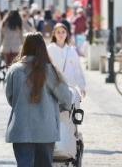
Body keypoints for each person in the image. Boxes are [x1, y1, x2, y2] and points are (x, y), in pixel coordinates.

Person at [5, 32, 73, 166]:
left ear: (24, 47)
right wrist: (58, 108)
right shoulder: (49, 70)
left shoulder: (14, 70)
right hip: (45, 129)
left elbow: (10, 98)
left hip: (21, 129)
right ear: (43, 48)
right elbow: (66, 98)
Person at [46, 23, 86, 97]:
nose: (61, 34)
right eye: (58, 32)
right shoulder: (49, 49)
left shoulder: (71, 50)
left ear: (67, 34)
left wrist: (82, 86)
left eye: (63, 32)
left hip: (69, 88)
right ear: (54, 34)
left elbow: (77, 68)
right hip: (54, 88)